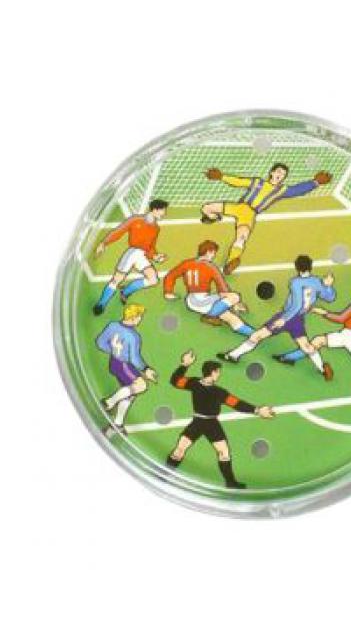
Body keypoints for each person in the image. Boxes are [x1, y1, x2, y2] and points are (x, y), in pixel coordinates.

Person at [167, 350, 275, 489]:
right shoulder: (217, 391)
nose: (219, 374)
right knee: (187, 449)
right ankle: (166, 474)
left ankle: (230, 482)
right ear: (212, 372)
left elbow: (175, 381)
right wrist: (257, 410)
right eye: (218, 372)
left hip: (207, 423)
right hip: (203, 423)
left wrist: (185, 365)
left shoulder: (194, 383)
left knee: (217, 451)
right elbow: (237, 404)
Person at [218, 255, 336, 380]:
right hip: (298, 319)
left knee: (257, 336)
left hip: (287, 316)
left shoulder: (296, 282)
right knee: (305, 345)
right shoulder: (317, 282)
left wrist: (283, 319)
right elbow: (330, 298)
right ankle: (322, 369)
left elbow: (296, 304)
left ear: (297, 268)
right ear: (310, 267)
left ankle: (233, 356)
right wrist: (328, 286)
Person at [200, 163, 332, 274]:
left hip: (249, 214)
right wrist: (221, 177)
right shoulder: (257, 182)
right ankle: (214, 217)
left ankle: (231, 262)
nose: (280, 175)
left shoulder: (282, 190)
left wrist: (315, 183)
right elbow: (238, 181)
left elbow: (298, 189)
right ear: (272, 172)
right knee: (206, 208)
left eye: (283, 174)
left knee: (241, 238)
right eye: (279, 171)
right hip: (237, 207)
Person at [92, 199, 169, 315]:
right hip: (131, 253)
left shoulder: (156, 228)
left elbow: (150, 247)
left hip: (141, 256)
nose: (164, 213)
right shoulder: (135, 219)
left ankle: (125, 291)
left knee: (153, 279)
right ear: (155, 210)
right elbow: (119, 231)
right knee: (117, 280)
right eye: (163, 210)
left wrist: (155, 256)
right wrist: (104, 243)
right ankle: (101, 303)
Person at [163, 240, 254, 336]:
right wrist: (234, 301)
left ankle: (254, 334)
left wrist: (168, 292)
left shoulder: (186, 263)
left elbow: (170, 275)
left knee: (230, 317)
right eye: (213, 253)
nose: (213, 256)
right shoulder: (210, 267)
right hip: (202, 301)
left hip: (190, 301)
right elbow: (222, 288)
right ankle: (210, 316)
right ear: (208, 252)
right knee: (235, 296)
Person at [95, 304, 157, 436]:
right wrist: (146, 369)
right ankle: (108, 403)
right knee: (141, 385)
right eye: (139, 316)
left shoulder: (112, 326)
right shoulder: (133, 336)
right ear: (133, 317)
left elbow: (100, 342)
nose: (140, 319)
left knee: (130, 394)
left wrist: (113, 351)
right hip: (124, 366)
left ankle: (117, 424)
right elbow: (134, 358)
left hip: (114, 362)